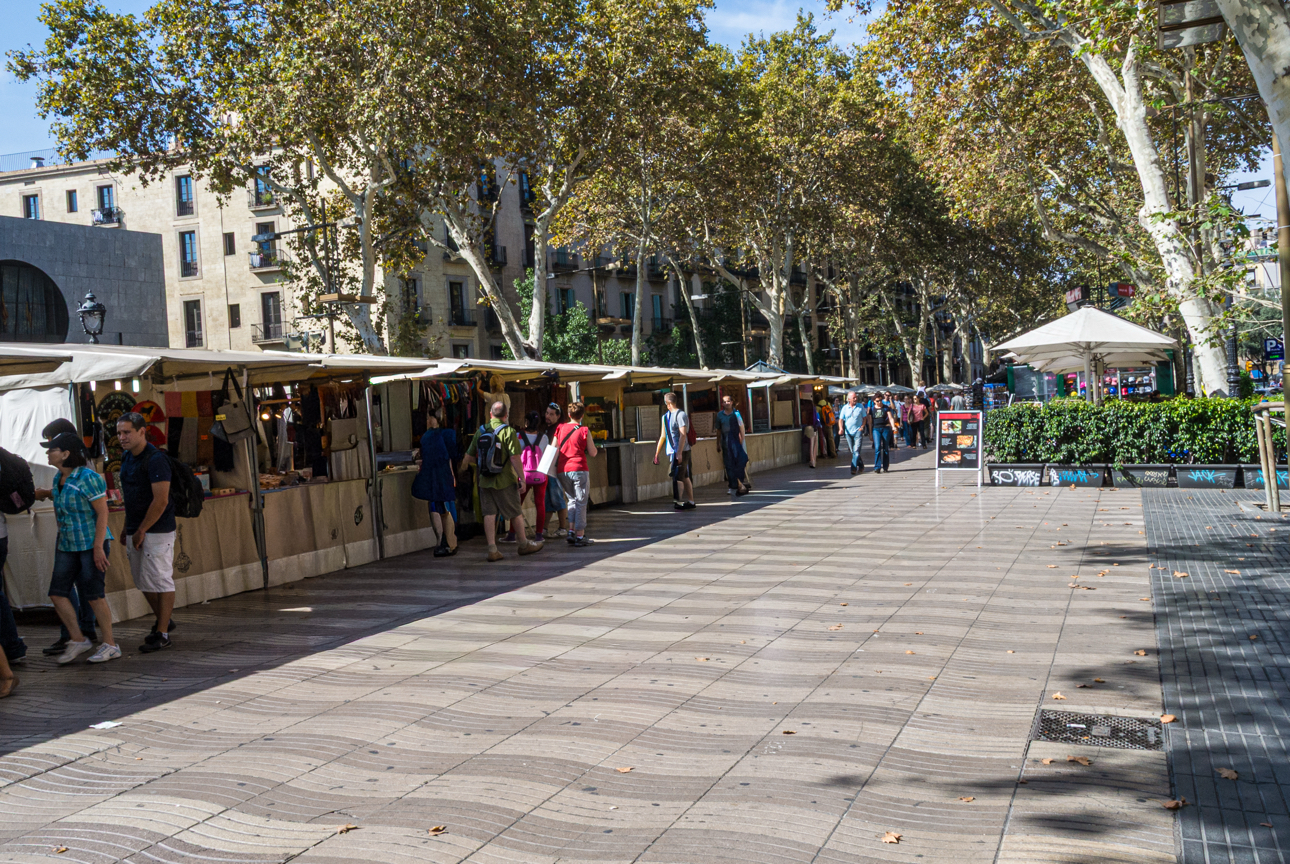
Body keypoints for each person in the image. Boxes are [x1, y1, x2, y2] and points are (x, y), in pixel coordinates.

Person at [34, 432, 119, 664]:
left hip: (90, 543)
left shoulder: (88, 477)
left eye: (51, 449)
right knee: (57, 592)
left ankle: (110, 644)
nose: (47, 453)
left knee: (93, 595)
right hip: (67, 544)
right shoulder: (57, 479)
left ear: (66, 454)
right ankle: (78, 638)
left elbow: (102, 512)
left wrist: (99, 547)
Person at [36, 418, 97, 657]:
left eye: (52, 443)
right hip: (73, 535)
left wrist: (46, 493)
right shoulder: (67, 471)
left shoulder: (83, 469)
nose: (49, 449)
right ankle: (83, 632)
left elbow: (95, 506)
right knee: (79, 586)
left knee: (71, 587)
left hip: (78, 536)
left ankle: (74, 634)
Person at [117, 412, 177, 654]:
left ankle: (162, 632)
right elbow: (131, 498)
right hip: (135, 527)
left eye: (127, 432)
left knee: (160, 579)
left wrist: (143, 529)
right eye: (119, 433)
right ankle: (165, 619)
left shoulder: (156, 460)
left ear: (142, 431)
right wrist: (127, 527)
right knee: (143, 580)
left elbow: (160, 500)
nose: (122, 437)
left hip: (157, 530)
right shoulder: (126, 457)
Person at [462, 401, 542, 561]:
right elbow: (514, 457)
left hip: (484, 480)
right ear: (506, 416)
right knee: (515, 512)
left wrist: (463, 471)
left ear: (490, 414)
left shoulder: (481, 431)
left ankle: (492, 549)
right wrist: (522, 478)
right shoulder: (508, 431)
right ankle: (523, 544)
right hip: (505, 480)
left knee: (489, 514)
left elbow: (469, 457)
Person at [411, 413, 458, 557]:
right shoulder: (445, 435)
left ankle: (445, 541)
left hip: (436, 476)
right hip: (441, 475)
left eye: (430, 417)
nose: (428, 420)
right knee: (442, 507)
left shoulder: (429, 437)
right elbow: (450, 456)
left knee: (438, 507)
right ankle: (448, 541)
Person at [553, 401, 599, 546]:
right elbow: (592, 452)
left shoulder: (560, 428)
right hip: (579, 468)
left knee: (572, 500)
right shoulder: (584, 430)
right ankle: (580, 535)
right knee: (581, 502)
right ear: (582, 416)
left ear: (568, 414)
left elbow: (554, 448)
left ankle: (571, 531)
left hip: (563, 470)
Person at [654, 392, 695, 509]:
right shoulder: (665, 417)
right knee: (684, 476)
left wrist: (679, 452)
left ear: (668, 403)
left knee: (678, 477)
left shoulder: (680, 415)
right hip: (674, 451)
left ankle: (678, 501)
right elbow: (663, 435)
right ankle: (691, 501)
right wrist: (657, 453)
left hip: (681, 451)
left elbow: (683, 435)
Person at [517, 411, 550, 543]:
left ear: (526, 422)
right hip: (540, 475)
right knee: (540, 504)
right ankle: (539, 534)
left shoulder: (518, 436)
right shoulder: (544, 437)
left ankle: (513, 534)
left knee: (517, 504)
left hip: (523, 475)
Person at [543, 403, 570, 538]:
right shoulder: (546, 428)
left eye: (551, 414)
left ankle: (562, 527)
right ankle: (545, 528)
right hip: (546, 468)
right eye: (547, 413)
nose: (547, 416)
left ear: (558, 416)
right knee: (547, 500)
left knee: (557, 497)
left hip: (555, 469)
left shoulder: (559, 429)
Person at [715, 395, 750, 496]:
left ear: (732, 402)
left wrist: (742, 439)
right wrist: (718, 443)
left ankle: (740, 483)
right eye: (724, 402)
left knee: (739, 462)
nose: (726, 403)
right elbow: (718, 430)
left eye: (728, 401)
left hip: (736, 442)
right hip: (725, 442)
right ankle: (732, 486)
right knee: (728, 465)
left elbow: (741, 427)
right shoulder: (720, 415)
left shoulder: (736, 414)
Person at [837, 390, 867, 475]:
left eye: (856, 397)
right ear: (849, 399)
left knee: (856, 450)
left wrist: (862, 426)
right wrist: (841, 428)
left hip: (858, 431)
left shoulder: (860, 406)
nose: (855, 399)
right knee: (853, 451)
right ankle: (861, 465)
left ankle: (853, 468)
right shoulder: (845, 408)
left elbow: (865, 417)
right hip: (848, 432)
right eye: (854, 398)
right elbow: (841, 419)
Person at [870, 390, 898, 473]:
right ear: (874, 401)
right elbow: (870, 422)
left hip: (885, 428)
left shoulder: (886, 407)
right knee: (877, 447)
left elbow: (891, 418)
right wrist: (870, 433)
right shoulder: (872, 409)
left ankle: (885, 466)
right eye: (877, 401)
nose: (879, 402)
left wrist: (893, 426)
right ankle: (877, 467)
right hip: (876, 429)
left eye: (880, 400)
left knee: (886, 448)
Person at [801, 398, 821, 468]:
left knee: (811, 445)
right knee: (815, 444)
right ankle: (814, 461)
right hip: (814, 427)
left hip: (808, 427)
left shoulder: (803, 410)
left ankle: (811, 460)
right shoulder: (813, 409)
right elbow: (816, 418)